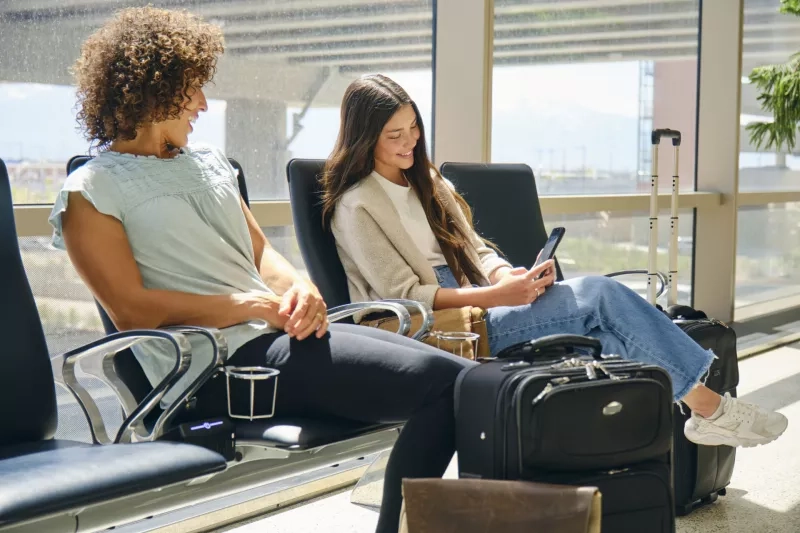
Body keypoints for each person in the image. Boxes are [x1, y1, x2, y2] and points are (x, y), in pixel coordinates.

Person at [48, 8, 472, 533]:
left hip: (277, 339)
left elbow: (263, 256)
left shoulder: (212, 165)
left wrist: (303, 290)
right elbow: (131, 308)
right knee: (446, 385)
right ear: (153, 90)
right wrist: (250, 307)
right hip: (214, 369)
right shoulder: (90, 191)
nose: (204, 104)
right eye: (194, 89)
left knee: (466, 383)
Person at [321, 73, 789, 450]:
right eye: (394, 135)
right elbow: (405, 297)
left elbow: (476, 249)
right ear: (365, 137)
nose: (409, 142)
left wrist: (509, 275)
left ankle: (701, 412)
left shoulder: (425, 180)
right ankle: (711, 410)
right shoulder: (356, 206)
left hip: (482, 299)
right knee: (599, 296)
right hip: (439, 325)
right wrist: (498, 294)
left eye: (414, 128)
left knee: (605, 330)